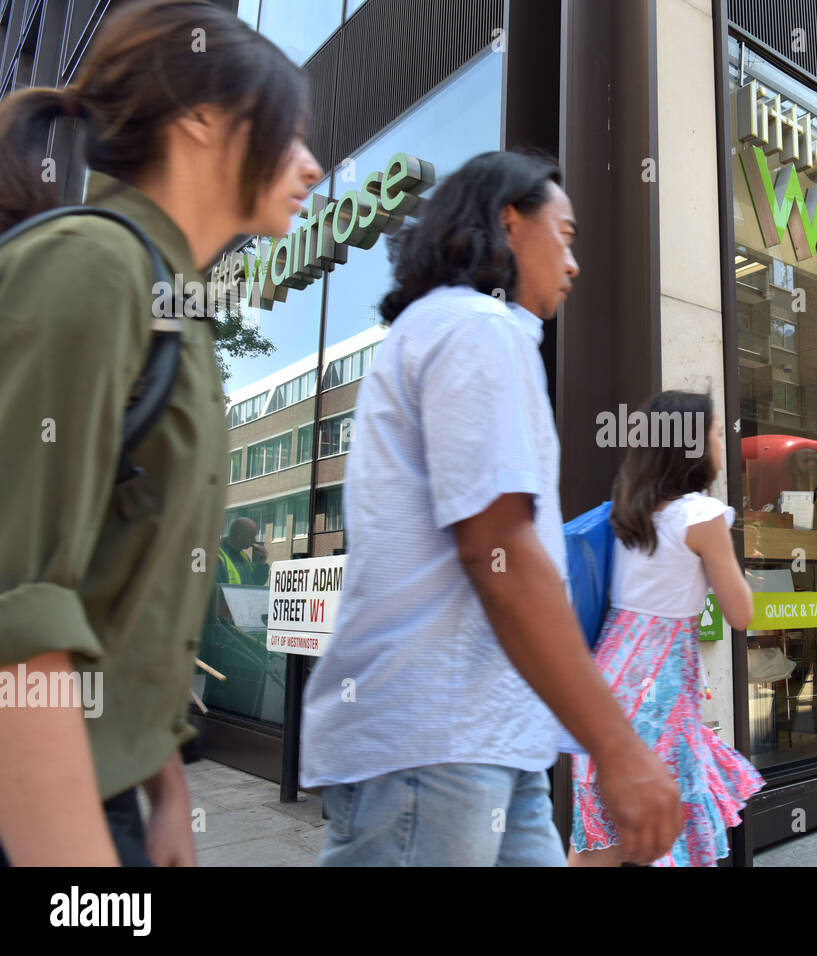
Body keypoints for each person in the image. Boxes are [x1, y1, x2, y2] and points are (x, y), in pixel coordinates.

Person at [0, 0, 319, 866]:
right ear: (204, 123)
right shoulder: (91, 267)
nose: (314, 166)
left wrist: (165, 786)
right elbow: (17, 618)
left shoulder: (172, 305)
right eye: (288, 135)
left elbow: (123, 589)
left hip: (108, 795)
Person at [299, 151, 680, 867]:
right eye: (564, 235)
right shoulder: (479, 329)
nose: (573, 264)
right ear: (509, 221)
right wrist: (617, 745)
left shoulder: (447, 330)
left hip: (483, 741)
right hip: (437, 743)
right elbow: (497, 550)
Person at [570, 391, 764, 867]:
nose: (724, 440)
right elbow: (740, 614)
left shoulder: (626, 514)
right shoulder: (702, 516)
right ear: (694, 446)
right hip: (660, 685)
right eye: (718, 432)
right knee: (673, 828)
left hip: (606, 681)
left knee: (601, 840)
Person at [214, 517, 270, 586]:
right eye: (251, 537)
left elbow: (255, 584)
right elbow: (216, 591)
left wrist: (260, 564)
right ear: (239, 535)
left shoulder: (244, 557)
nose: (254, 541)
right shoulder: (217, 558)